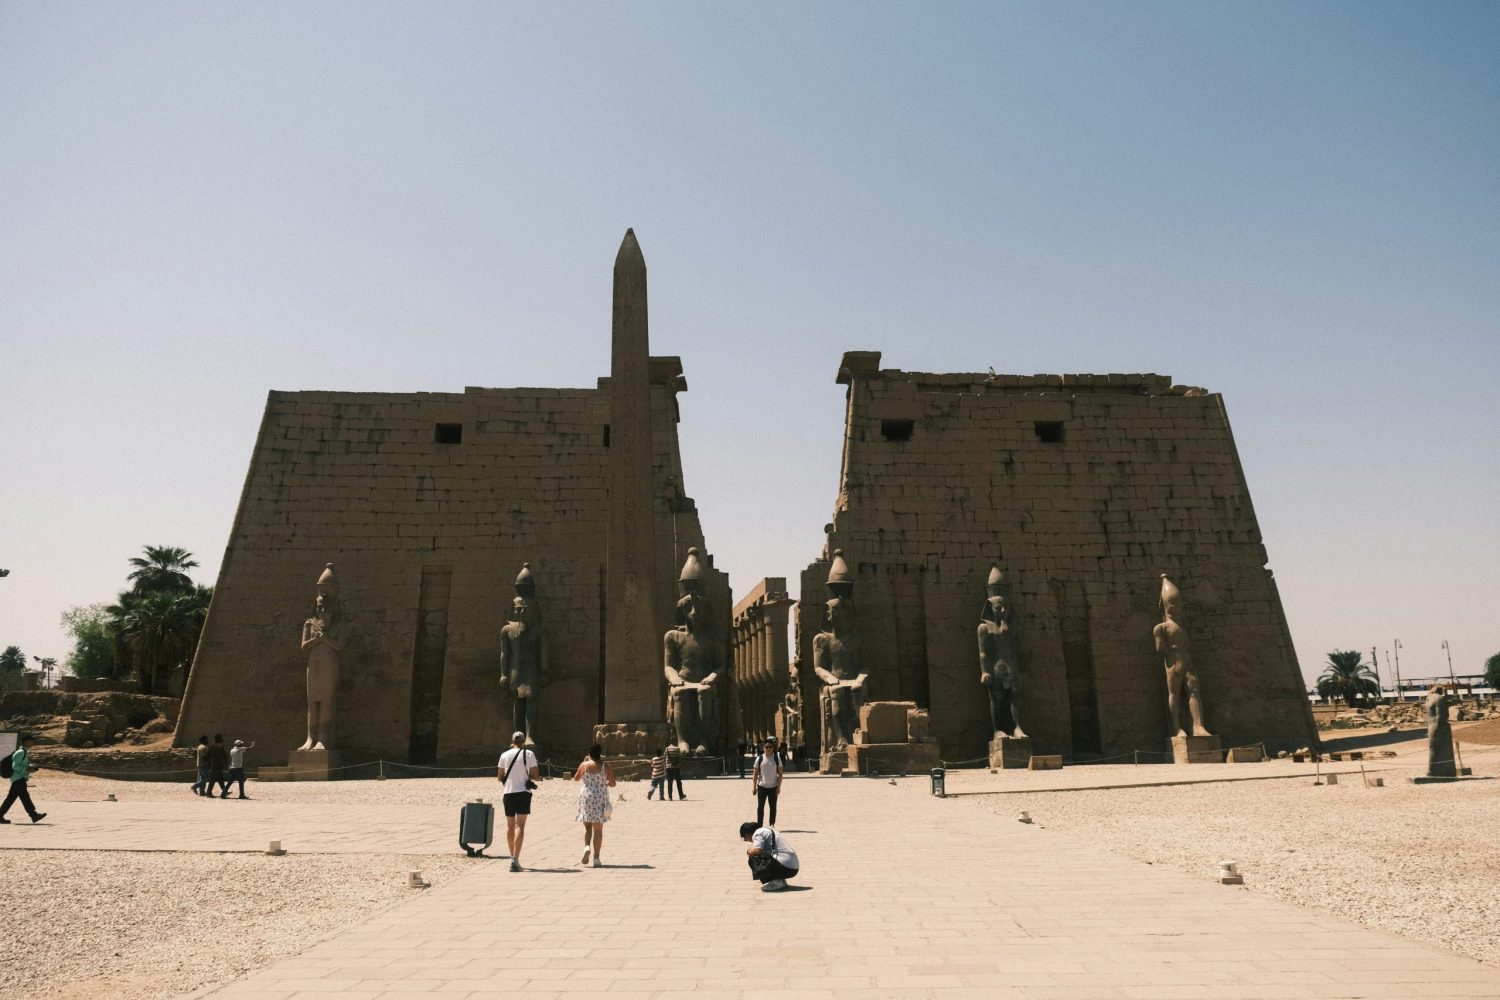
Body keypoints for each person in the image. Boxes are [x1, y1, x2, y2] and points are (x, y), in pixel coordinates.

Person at [497, 731, 540, 871]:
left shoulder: (504, 755)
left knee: (510, 826)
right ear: (523, 742)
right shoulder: (529, 754)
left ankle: (512, 858)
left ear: (512, 741)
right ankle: (515, 859)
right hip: (523, 793)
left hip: (509, 792)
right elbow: (535, 774)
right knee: (520, 826)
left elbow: (499, 776)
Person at [572, 743, 616, 867]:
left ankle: (586, 846)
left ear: (590, 754)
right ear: (600, 754)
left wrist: (583, 764)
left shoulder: (584, 765)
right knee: (598, 830)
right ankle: (596, 858)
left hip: (586, 796)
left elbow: (576, 778)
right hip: (600, 797)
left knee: (587, 827)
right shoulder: (605, 766)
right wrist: (605, 782)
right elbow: (613, 784)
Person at [0, 734, 47, 824]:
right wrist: (27, 769)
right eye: (32, 740)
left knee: (11, 798)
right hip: (18, 778)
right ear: (27, 741)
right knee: (25, 797)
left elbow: (20, 765)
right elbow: (15, 766)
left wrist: (30, 768)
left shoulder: (24, 752)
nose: (33, 742)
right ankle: (33, 815)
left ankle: (0, 815)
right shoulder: (21, 752)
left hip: (19, 778)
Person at [739, 821, 798, 892]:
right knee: (763, 856)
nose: (746, 840)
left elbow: (757, 851)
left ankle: (775, 882)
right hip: (793, 867)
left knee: (753, 857)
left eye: (745, 838)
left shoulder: (757, 833)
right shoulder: (769, 830)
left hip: (786, 867)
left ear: (747, 834)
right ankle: (779, 880)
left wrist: (748, 851)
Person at [752, 738, 783, 827]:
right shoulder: (759, 758)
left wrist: (779, 787)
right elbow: (755, 774)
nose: (768, 749)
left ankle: (772, 823)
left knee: (773, 807)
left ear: (773, 748)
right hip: (762, 786)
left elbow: (780, 774)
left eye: (770, 747)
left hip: (773, 786)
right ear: (763, 748)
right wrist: (754, 787)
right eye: (766, 747)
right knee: (760, 807)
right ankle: (759, 824)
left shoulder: (777, 758)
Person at [209, 734, 230, 798]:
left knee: (220, 780)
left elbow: (224, 756)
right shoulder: (217, 748)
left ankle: (224, 792)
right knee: (214, 780)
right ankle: (210, 792)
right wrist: (225, 764)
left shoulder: (215, 747)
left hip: (216, 767)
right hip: (216, 767)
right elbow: (222, 757)